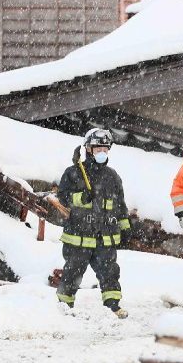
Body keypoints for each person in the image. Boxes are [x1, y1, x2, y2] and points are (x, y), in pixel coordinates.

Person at [55, 128, 131, 319]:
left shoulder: (112, 176)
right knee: (72, 272)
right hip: (79, 236)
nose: (102, 153)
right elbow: (63, 197)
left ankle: (113, 306)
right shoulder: (74, 173)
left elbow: (120, 205)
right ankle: (64, 306)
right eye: (98, 149)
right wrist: (81, 198)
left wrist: (125, 228)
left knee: (110, 272)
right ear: (88, 149)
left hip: (105, 237)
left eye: (105, 149)